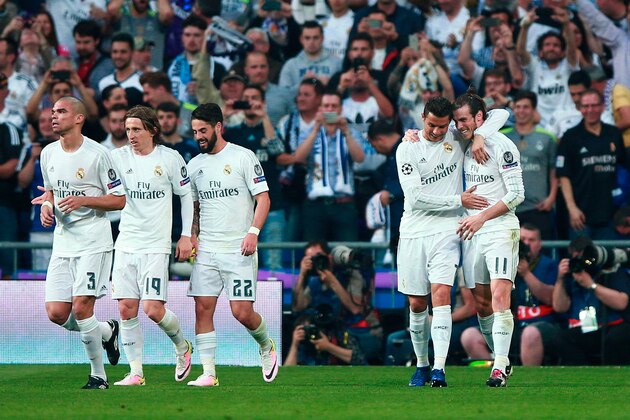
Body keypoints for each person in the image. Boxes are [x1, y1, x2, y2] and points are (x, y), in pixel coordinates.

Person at [398, 96, 508, 387]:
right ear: (422, 118)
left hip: (448, 229)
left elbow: (500, 113)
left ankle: (438, 369)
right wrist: (458, 199)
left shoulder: (455, 136)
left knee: (442, 295)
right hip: (412, 232)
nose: (436, 131)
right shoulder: (407, 147)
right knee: (417, 303)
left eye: (442, 126)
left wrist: (480, 136)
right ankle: (421, 364)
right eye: (431, 125)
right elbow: (415, 198)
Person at [33, 96, 126, 389]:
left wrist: (85, 199)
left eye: (61, 112)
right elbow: (49, 193)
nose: (54, 117)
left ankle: (98, 375)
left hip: (93, 241)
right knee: (57, 313)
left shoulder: (98, 155)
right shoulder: (48, 153)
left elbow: (120, 199)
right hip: (63, 243)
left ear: (78, 118)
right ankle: (107, 332)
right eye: (52, 112)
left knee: (82, 306)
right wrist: (46, 207)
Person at [186, 102, 277, 386]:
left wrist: (253, 232)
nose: (198, 136)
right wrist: (192, 237)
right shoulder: (194, 165)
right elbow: (195, 209)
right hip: (208, 250)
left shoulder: (243, 157)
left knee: (241, 312)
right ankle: (209, 373)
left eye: (203, 130)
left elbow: (264, 198)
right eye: (194, 131)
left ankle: (266, 345)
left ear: (218, 127)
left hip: (239, 248)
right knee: (202, 308)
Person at [109, 106, 194, 386]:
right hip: (125, 243)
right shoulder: (117, 158)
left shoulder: (170, 158)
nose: (130, 135)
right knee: (125, 309)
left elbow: (185, 196)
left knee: (153, 309)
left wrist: (185, 236)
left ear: (152, 130)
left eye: (136, 129)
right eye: (128, 129)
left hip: (156, 245)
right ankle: (136, 372)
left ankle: (182, 346)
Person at [453, 89, 525, 387]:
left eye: (464, 120)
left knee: (499, 296)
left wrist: (483, 216)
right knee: (481, 303)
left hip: (500, 227)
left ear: (479, 118)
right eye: (456, 121)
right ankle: (501, 355)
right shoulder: (461, 142)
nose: (459, 126)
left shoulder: (503, 146)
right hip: (472, 231)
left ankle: (499, 366)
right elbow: (499, 113)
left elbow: (518, 194)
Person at [223, 84, 288, 270]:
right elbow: (211, 147)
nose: (250, 102)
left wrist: (265, 117)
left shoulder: (269, 130)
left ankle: (274, 299)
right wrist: (225, 116)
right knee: (242, 263)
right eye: (247, 98)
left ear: (263, 103)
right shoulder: (234, 132)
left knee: (273, 262)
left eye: (255, 98)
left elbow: (278, 151)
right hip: (241, 210)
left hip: (272, 206)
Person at [292, 241, 382, 361]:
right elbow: (299, 307)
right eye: (312, 259)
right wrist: (302, 275)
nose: (317, 261)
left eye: (320, 256)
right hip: (330, 330)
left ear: (329, 257)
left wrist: (332, 281)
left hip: (358, 332)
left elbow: (355, 309)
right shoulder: (314, 282)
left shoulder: (350, 275)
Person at [294, 90, 365, 241]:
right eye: (326, 106)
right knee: (315, 253)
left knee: (347, 252)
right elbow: (299, 157)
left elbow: (359, 158)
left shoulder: (352, 131)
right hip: (316, 205)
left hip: (344, 204)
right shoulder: (308, 131)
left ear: (341, 109)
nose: (330, 109)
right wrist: (315, 129)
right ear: (320, 109)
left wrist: (346, 132)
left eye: (334, 106)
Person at [547, 236, 630, 364]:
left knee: (615, 338)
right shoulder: (572, 273)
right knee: (560, 338)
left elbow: (622, 302)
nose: (581, 261)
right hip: (583, 328)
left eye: (583, 257)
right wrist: (560, 279)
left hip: (608, 326)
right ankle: (581, 375)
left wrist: (591, 285)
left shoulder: (609, 270)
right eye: (574, 257)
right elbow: (560, 307)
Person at [556, 89, 625, 240]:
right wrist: (572, 208)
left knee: (609, 261)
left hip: (611, 214)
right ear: (579, 108)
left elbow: (622, 170)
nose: (590, 110)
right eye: (586, 106)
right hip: (580, 216)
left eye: (594, 105)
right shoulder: (570, 137)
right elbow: (563, 175)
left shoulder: (613, 133)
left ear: (602, 107)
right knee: (581, 261)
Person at [501, 91, 557, 239]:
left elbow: (553, 171)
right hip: (509, 207)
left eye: (526, 107)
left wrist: (551, 198)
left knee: (541, 252)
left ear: (533, 110)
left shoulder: (547, 137)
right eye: (517, 107)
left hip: (537, 207)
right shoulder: (502, 136)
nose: (521, 111)